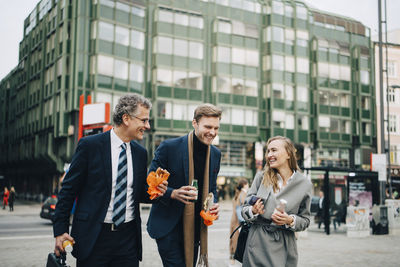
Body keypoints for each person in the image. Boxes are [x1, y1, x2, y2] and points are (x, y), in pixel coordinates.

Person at [53, 94, 167, 267]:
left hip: (128, 240)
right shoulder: (89, 146)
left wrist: (156, 189)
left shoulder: (140, 153)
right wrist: (60, 230)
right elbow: (68, 190)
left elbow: (139, 194)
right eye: (144, 120)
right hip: (94, 238)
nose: (147, 126)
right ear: (126, 118)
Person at [147, 103, 222, 267]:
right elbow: (150, 183)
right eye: (208, 126)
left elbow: (212, 188)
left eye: (216, 128)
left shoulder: (216, 154)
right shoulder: (168, 147)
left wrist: (213, 203)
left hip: (196, 229)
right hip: (169, 227)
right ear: (194, 123)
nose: (212, 132)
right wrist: (173, 193)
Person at [241, 136, 312, 267]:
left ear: (288, 154)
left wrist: (289, 220)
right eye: (268, 151)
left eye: (274, 150)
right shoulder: (261, 177)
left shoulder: (304, 184)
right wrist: (253, 210)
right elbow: (244, 209)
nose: (269, 155)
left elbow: (305, 220)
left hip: (285, 245)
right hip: (257, 243)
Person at [229, 178, 249, 266]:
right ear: (244, 185)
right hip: (240, 222)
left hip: (234, 221)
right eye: (247, 184)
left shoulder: (237, 194)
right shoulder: (243, 194)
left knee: (234, 241)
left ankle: (232, 259)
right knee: (241, 242)